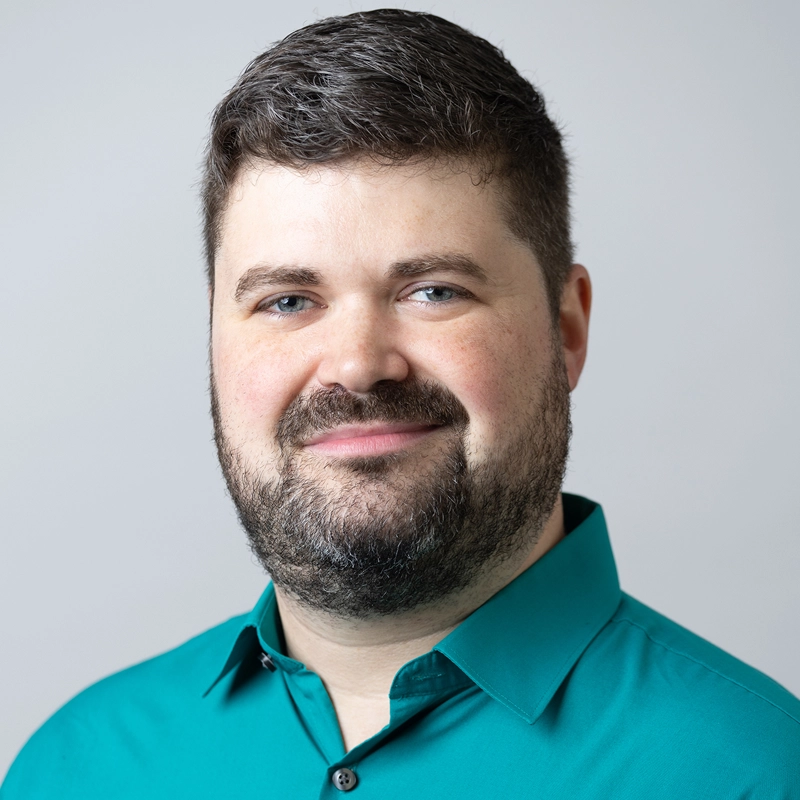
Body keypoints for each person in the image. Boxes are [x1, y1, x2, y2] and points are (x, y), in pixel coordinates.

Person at [2, 8, 798, 798]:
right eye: (287, 300)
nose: (357, 366)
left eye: (433, 290)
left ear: (566, 329)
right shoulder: (75, 768)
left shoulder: (759, 772)